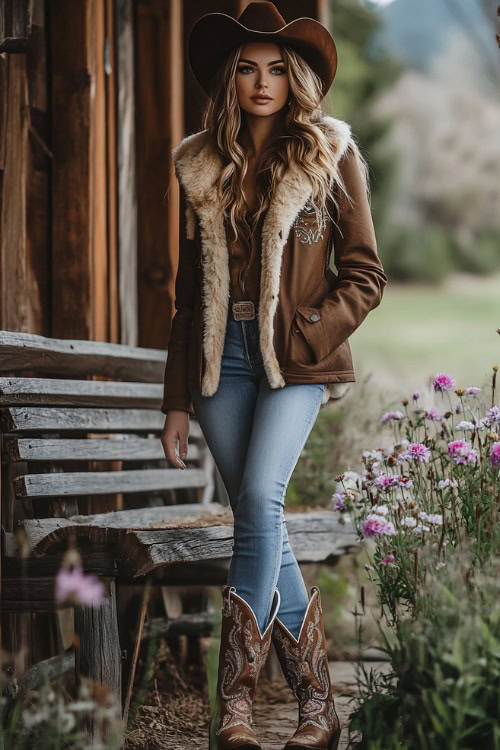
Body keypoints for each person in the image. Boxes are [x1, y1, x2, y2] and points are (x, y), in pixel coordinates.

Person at [160, 3, 387, 749]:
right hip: (219, 361)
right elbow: (187, 295)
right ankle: (320, 708)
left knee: (259, 495)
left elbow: (365, 274)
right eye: (249, 69)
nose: (263, 82)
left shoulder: (330, 154)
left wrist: (309, 334)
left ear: (298, 79)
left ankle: (237, 706)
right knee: (262, 523)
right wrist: (175, 404)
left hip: (292, 359)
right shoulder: (202, 163)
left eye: (278, 69)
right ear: (232, 80)